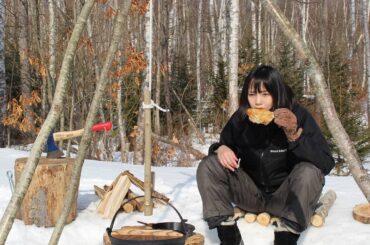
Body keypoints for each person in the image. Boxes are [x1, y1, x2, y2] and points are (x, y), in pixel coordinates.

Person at [196, 65, 335, 245]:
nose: (258, 101)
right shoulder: (241, 118)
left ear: (277, 93)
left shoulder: (298, 116)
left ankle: (286, 238)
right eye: (252, 94)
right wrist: (220, 148)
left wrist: (295, 136)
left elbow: (325, 163)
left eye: (265, 94)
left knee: (309, 170)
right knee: (208, 165)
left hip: (287, 198)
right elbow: (223, 146)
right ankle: (229, 236)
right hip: (250, 195)